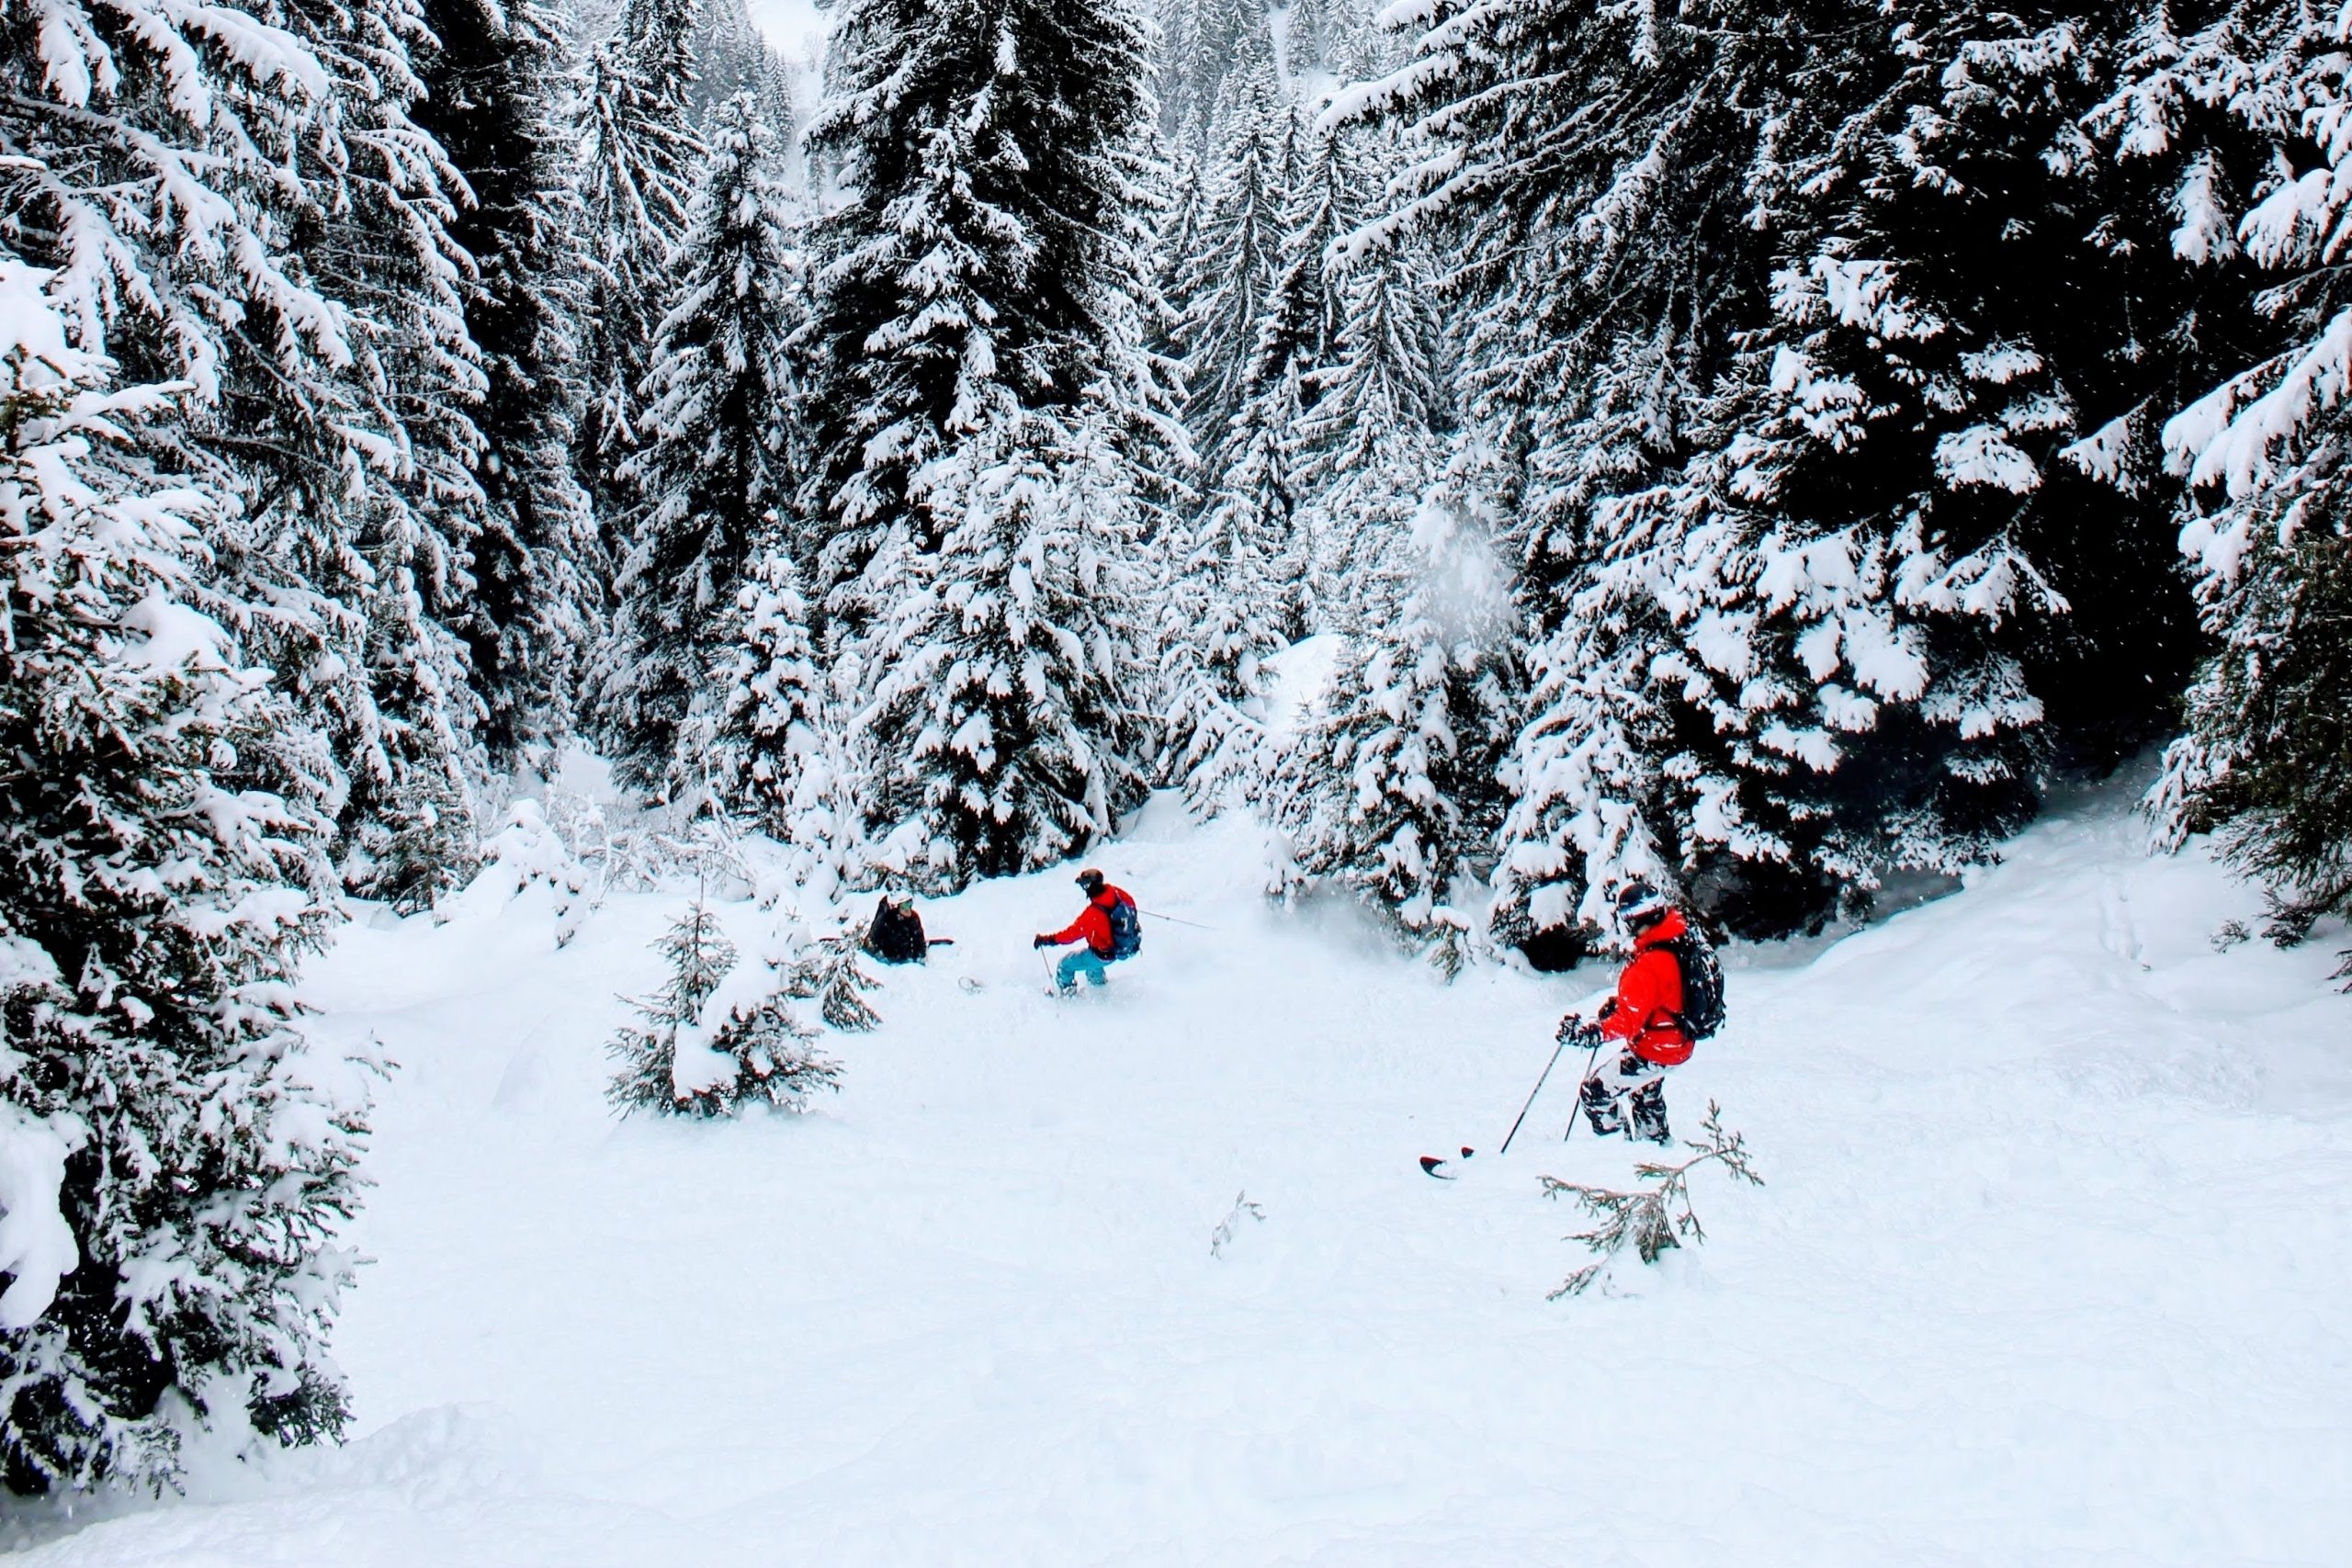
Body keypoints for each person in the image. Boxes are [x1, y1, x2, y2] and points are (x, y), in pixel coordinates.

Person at [1561, 881, 1702, 1145]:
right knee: (1643, 1092)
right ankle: (1656, 1148)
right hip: (1675, 1040)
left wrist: (1593, 1031)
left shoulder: (1650, 962)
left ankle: (1618, 1154)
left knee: (1596, 1093)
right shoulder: (1675, 938)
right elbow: (1663, 992)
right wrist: (1621, 1004)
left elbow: (1628, 1021)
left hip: (1656, 1047)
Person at [1034, 868, 1139, 992]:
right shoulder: (1115, 892)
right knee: (1093, 968)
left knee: (1065, 965)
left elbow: (1070, 935)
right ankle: (1100, 989)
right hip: (1119, 948)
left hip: (1101, 954)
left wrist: (1046, 940)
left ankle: (1067, 994)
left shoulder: (1093, 914)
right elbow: (1131, 904)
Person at [865, 897, 929, 964]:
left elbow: (920, 939)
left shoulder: (914, 917)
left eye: (910, 904)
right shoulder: (886, 918)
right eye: (904, 905)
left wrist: (921, 956)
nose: (908, 909)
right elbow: (873, 939)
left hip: (908, 961)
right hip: (889, 961)